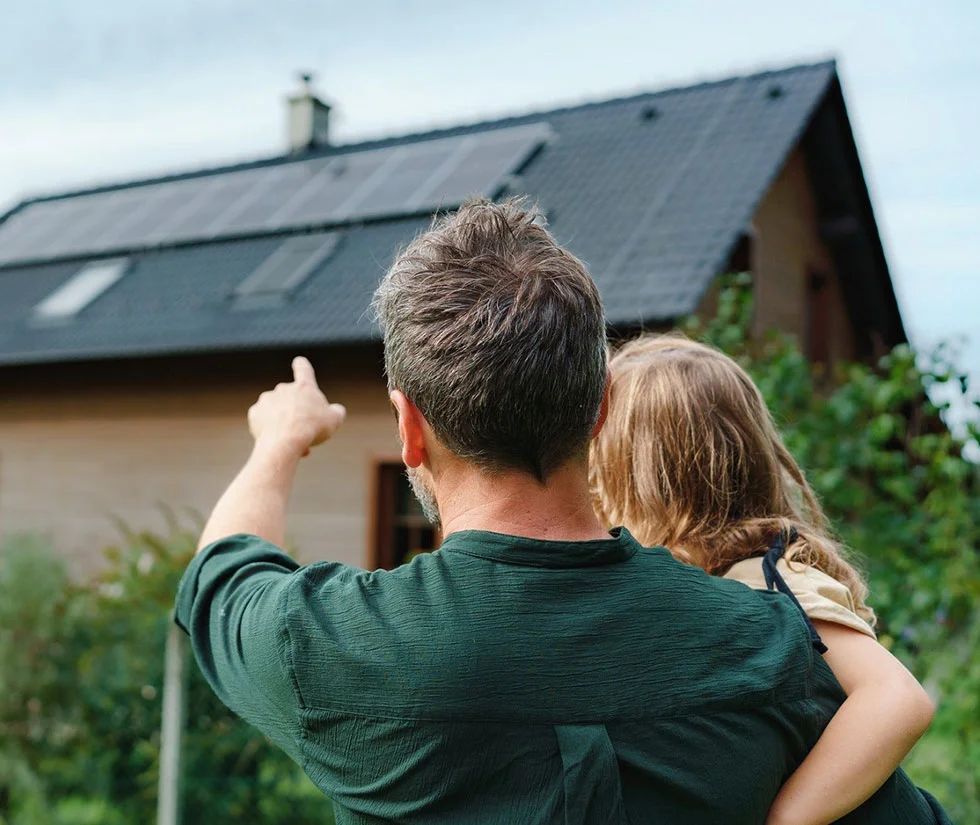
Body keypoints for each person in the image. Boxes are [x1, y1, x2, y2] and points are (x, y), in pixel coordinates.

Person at [176, 198, 945, 824]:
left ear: (410, 428)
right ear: (600, 407)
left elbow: (223, 568)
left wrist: (280, 441)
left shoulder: (329, 644)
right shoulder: (771, 645)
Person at [590, 333, 952, 825]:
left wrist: (785, 819)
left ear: (641, 479)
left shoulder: (769, 580)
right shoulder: (711, 580)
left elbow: (897, 699)